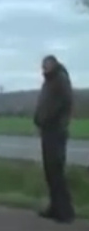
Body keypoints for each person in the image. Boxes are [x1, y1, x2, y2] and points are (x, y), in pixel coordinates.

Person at [34, 55, 75, 223]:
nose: (44, 69)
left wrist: (49, 118)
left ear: (53, 65)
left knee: (56, 172)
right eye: (43, 66)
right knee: (50, 172)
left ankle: (65, 212)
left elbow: (65, 102)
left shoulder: (60, 79)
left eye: (46, 66)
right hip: (48, 130)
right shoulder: (50, 81)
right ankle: (55, 207)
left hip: (56, 131)